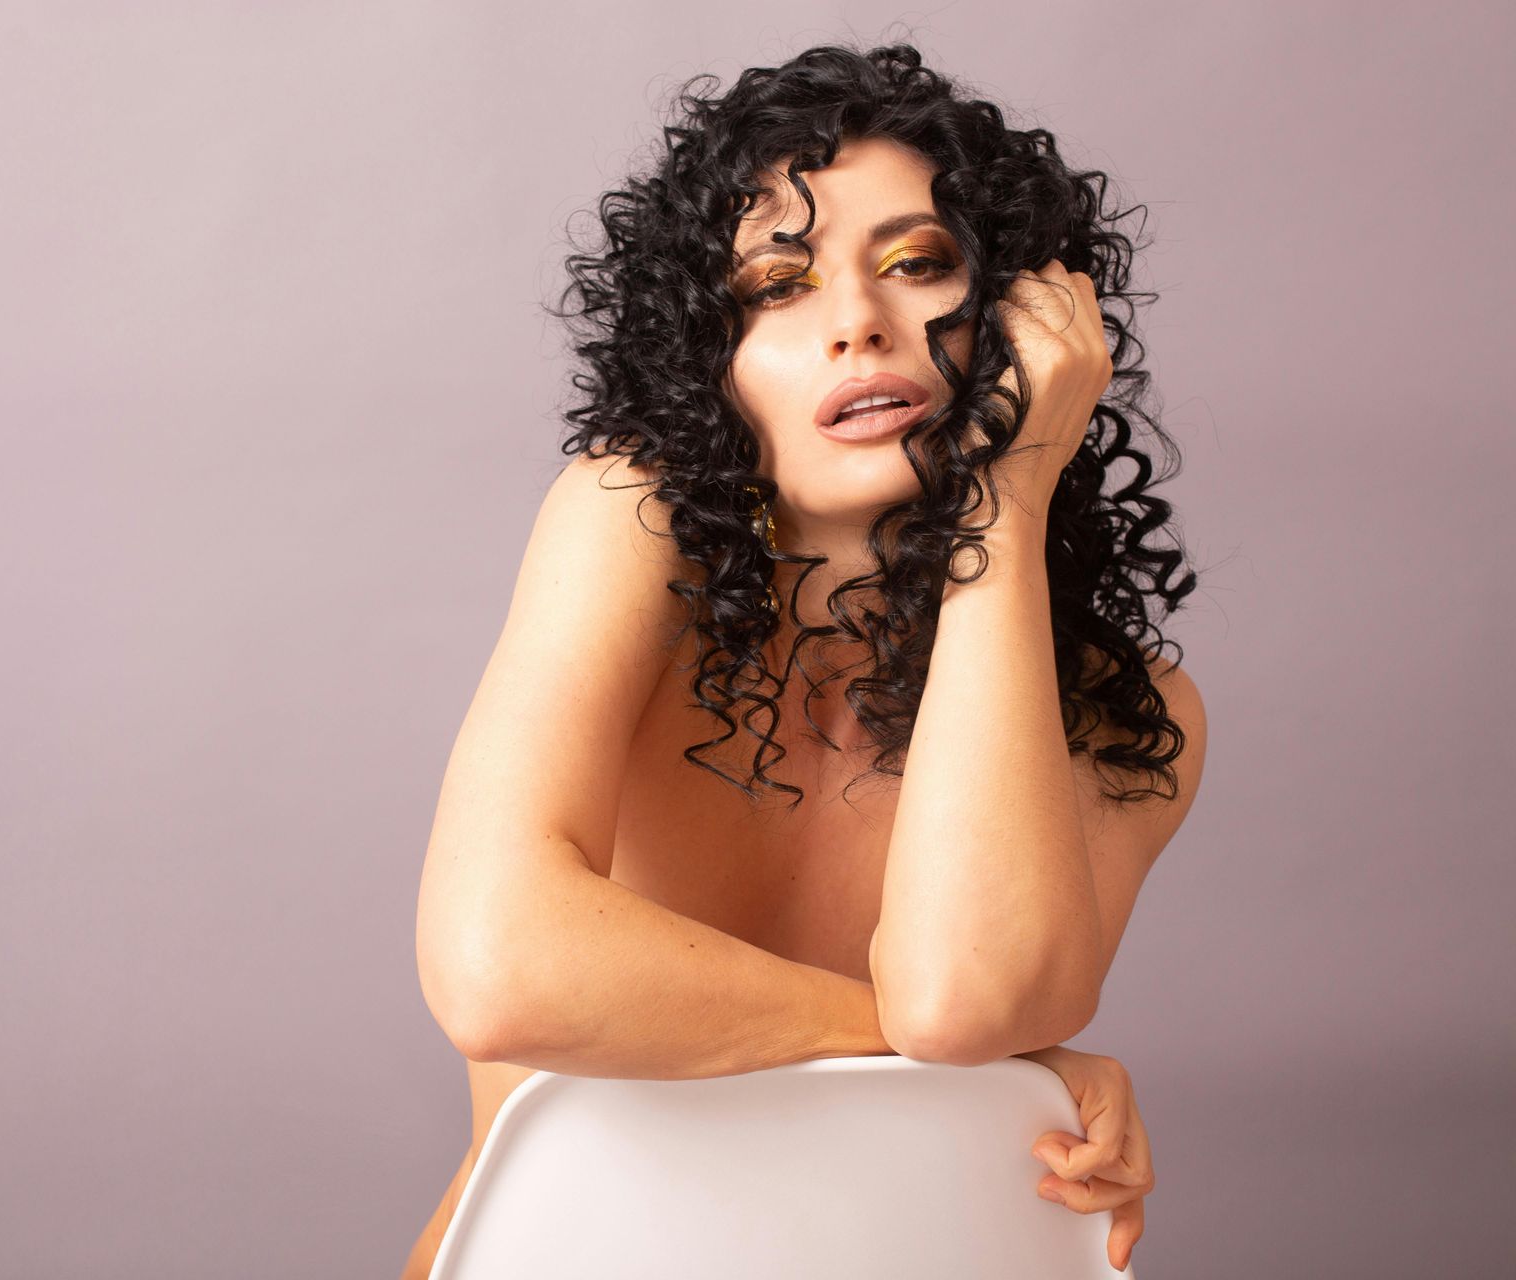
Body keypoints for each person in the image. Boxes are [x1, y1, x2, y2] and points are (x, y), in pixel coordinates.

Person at [406, 39, 1205, 1278]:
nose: (858, 326)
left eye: (921, 264)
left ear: (1028, 322)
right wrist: (994, 1074)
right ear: (706, 364)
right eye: (778, 285)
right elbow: (497, 966)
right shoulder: (630, 517)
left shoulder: (1127, 712)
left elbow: (964, 1004)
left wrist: (1012, 492)